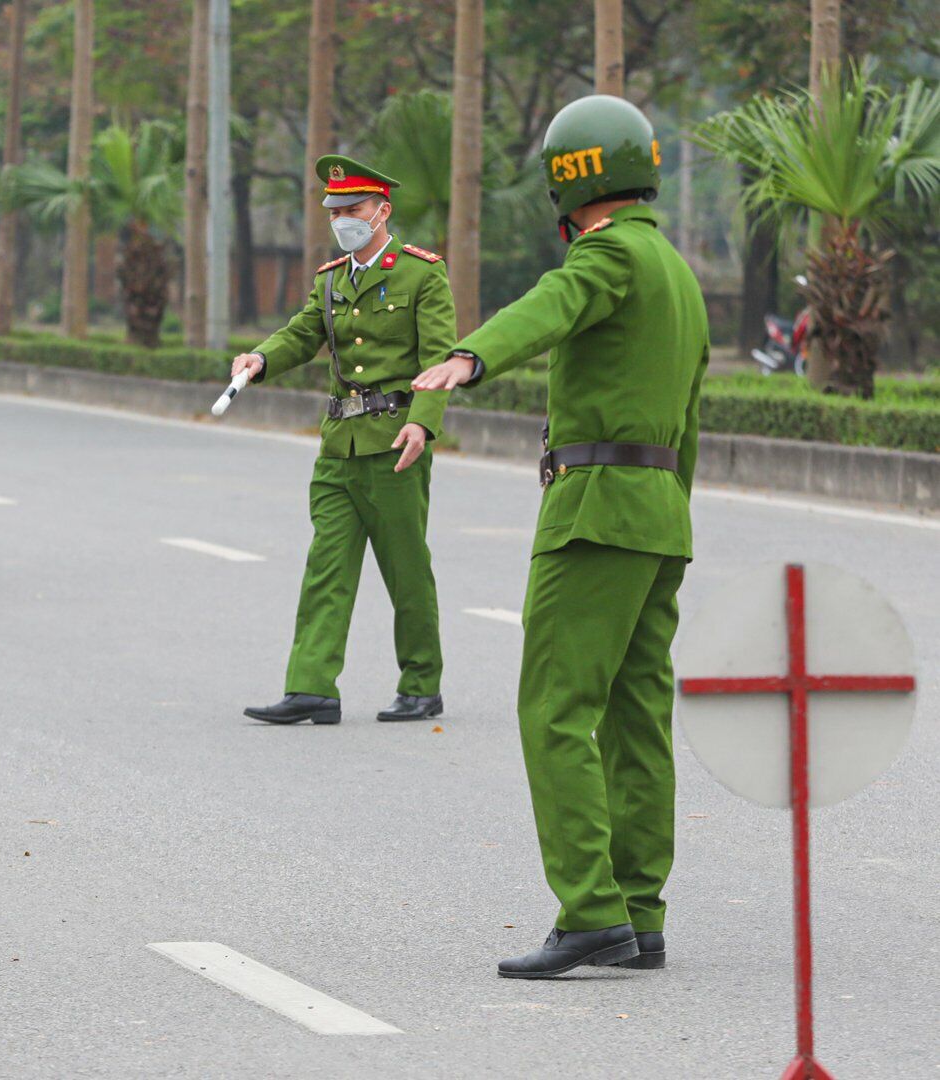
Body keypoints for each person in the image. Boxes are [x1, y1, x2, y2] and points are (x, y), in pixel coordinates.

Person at [412, 95, 709, 979]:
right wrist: (671, 519)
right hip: (660, 513)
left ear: (568, 176)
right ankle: (639, 912)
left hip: (592, 510)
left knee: (553, 710)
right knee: (636, 718)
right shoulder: (676, 271)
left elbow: (553, 301)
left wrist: (469, 356)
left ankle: (589, 912)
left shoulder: (608, 252)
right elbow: (689, 422)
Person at [233, 155, 455, 727]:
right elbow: (303, 333)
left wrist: (423, 423)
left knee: (406, 569)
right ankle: (312, 687)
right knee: (326, 567)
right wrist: (260, 358)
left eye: (353, 209)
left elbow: (437, 358)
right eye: (335, 211)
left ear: (382, 210)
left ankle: (421, 684)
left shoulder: (421, 274)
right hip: (339, 446)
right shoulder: (330, 279)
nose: (342, 219)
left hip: (394, 442)